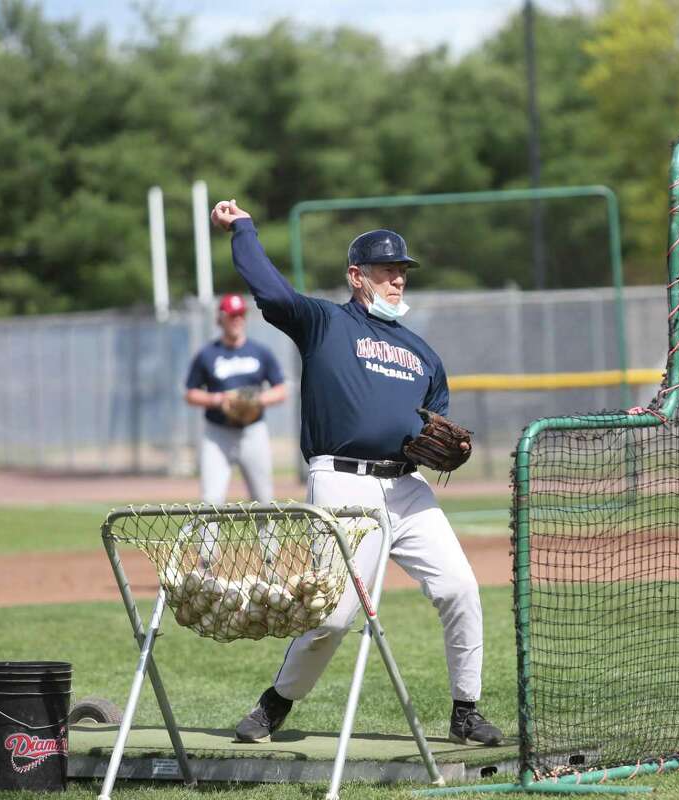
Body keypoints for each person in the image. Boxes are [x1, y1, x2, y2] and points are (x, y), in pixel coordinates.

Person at [210, 198, 503, 747]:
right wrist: (243, 228)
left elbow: (435, 418)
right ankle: (275, 704)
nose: (397, 279)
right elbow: (271, 292)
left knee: (461, 588)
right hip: (344, 481)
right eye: (386, 270)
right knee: (337, 615)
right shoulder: (325, 324)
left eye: (402, 271)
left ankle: (466, 712)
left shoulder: (422, 353)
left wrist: (438, 449)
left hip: (407, 487)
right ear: (356, 276)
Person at [184, 292, 289, 512]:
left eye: (240, 314)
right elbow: (191, 393)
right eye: (232, 315)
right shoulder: (207, 355)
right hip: (218, 434)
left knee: (264, 500)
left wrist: (254, 400)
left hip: (253, 431)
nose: (237, 319)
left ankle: (270, 548)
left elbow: (281, 390)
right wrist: (218, 399)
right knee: (211, 501)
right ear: (220, 319)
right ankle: (207, 548)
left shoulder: (260, 352)